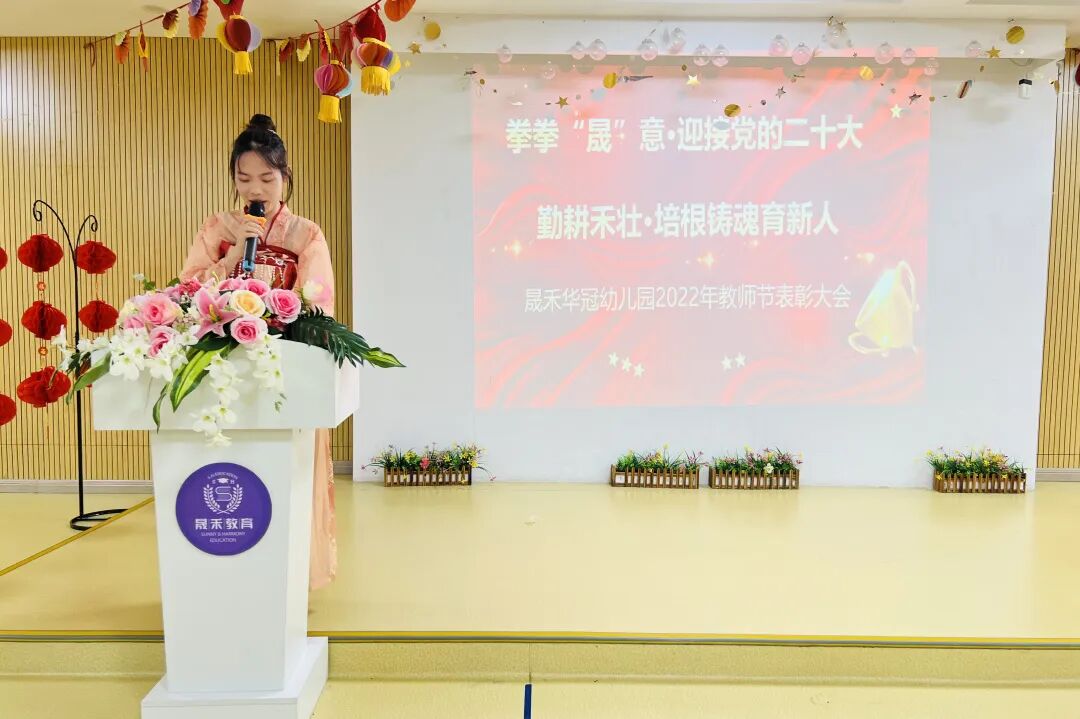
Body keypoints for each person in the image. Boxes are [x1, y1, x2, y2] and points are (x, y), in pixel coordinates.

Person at [179, 113, 337, 590]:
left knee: (285, 472)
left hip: (283, 368)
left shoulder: (305, 233)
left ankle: (289, 572)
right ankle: (230, 571)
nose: (256, 189)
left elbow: (318, 300)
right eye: (244, 178)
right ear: (233, 179)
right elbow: (187, 291)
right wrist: (232, 256)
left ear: (285, 177)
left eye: (267, 178)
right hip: (224, 371)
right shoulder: (218, 227)